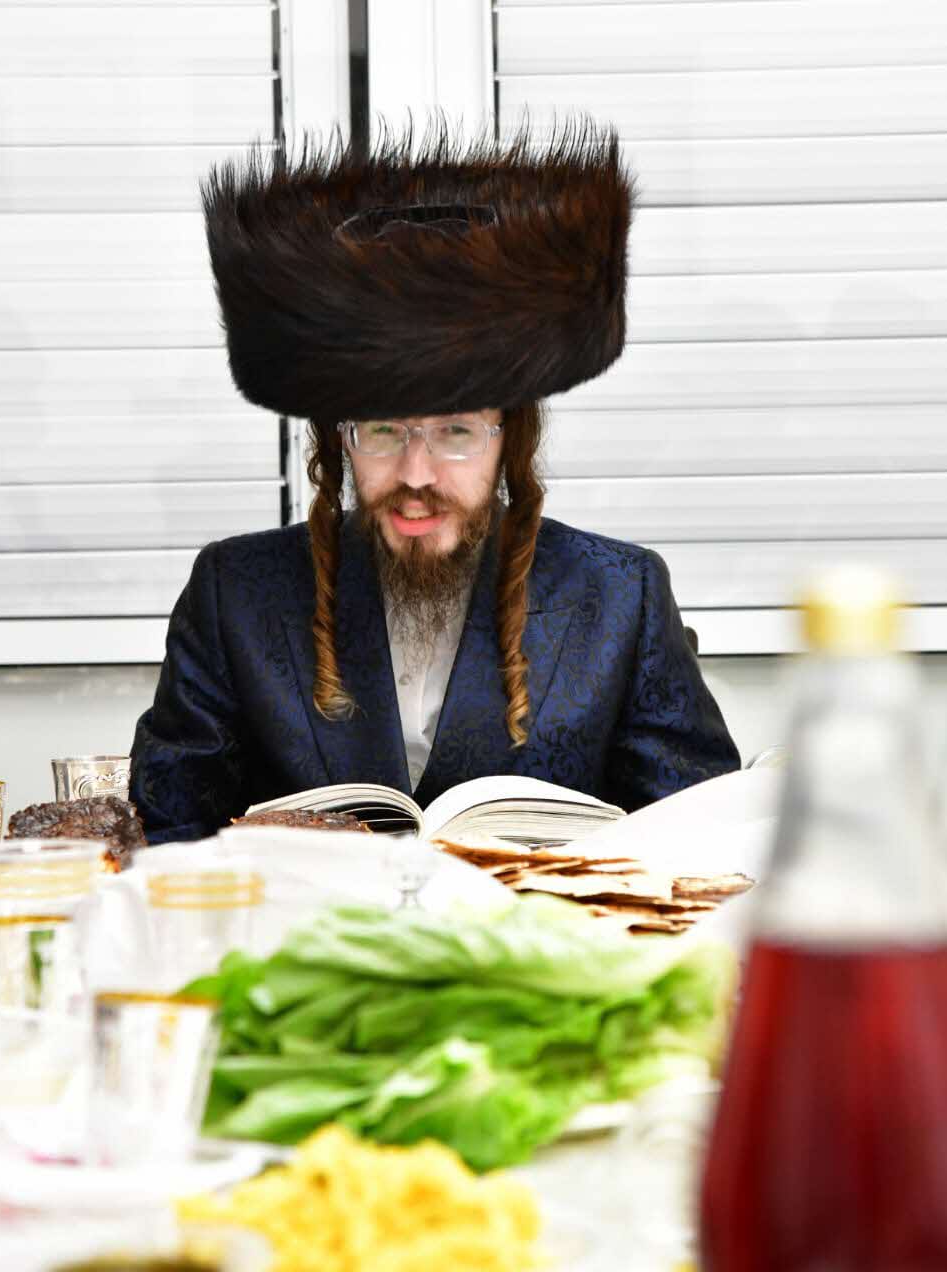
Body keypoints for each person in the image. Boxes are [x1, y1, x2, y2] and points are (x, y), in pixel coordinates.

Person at [130, 122, 738, 842]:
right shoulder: (234, 593)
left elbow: (705, 836)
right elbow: (167, 837)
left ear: (509, 441)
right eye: (383, 431)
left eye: (455, 432)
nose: (416, 476)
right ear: (338, 439)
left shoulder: (619, 597)